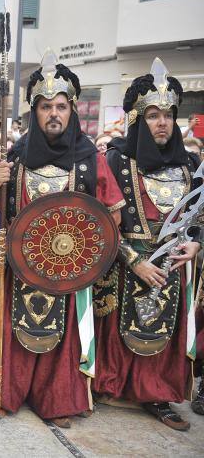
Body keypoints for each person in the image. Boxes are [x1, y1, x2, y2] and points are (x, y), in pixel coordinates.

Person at [0, 51, 124, 428]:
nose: (54, 113)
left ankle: (56, 399)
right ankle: (7, 392)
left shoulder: (90, 158)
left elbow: (111, 214)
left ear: (72, 111)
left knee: (60, 333)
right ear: (34, 112)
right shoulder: (15, 157)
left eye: (61, 106)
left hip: (69, 268)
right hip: (20, 265)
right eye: (46, 106)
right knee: (16, 329)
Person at [94, 59, 201, 431]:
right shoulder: (117, 161)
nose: (162, 122)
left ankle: (156, 393)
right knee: (120, 329)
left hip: (172, 268)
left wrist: (197, 247)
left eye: (168, 115)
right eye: (153, 115)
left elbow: (199, 220)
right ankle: (112, 387)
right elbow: (103, 223)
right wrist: (134, 260)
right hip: (125, 267)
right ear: (139, 119)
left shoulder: (190, 166)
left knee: (163, 331)